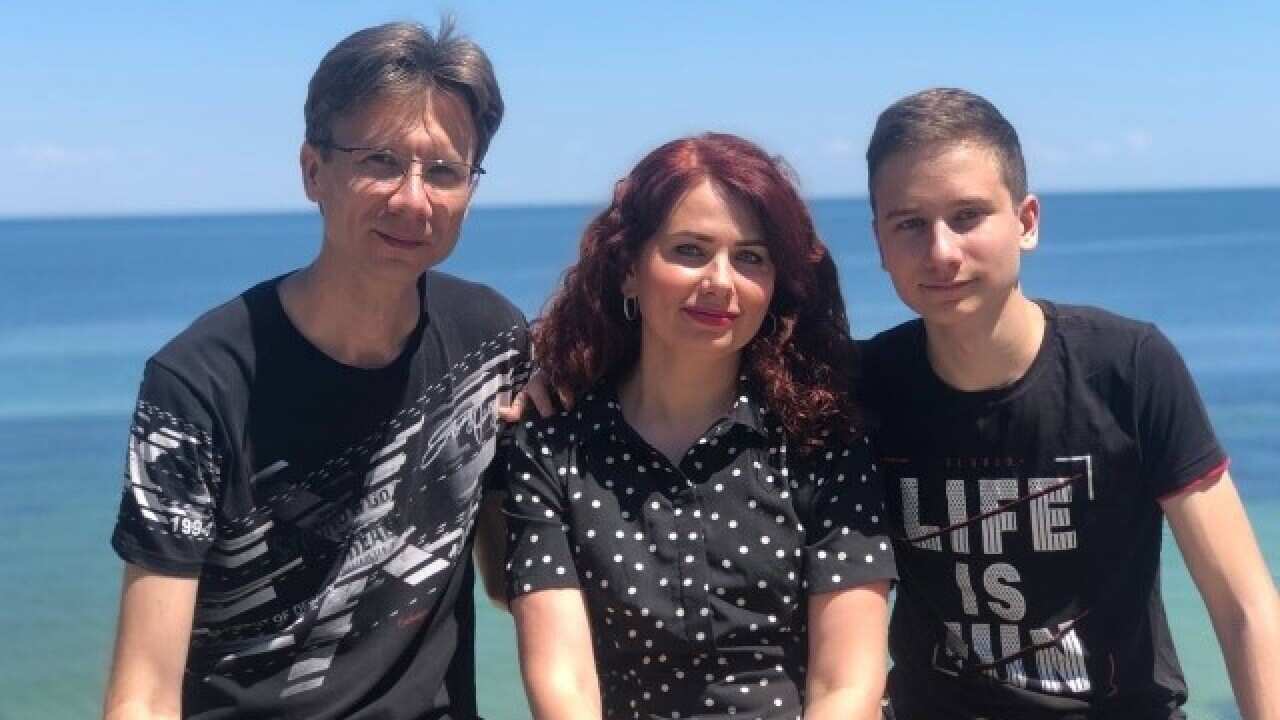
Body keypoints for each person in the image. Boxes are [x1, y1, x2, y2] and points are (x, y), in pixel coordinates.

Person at [103, 20, 528, 720]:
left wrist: (563, 422)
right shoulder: (199, 383)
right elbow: (144, 689)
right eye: (382, 161)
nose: (414, 199)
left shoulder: (491, 342)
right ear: (313, 171)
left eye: (445, 171)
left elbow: (511, 577)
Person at [858, 88, 1280, 719]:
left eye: (968, 216)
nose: (941, 252)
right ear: (880, 243)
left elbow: (1243, 603)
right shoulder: (867, 385)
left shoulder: (1128, 367)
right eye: (910, 224)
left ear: (1026, 222)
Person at [501, 133, 896, 720]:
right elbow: (565, 686)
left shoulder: (822, 442)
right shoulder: (553, 451)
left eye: (750, 258)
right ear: (629, 269)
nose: (720, 281)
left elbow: (846, 687)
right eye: (689, 250)